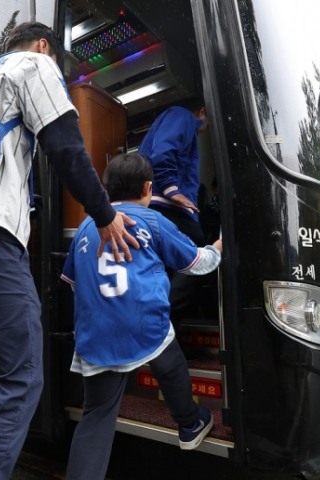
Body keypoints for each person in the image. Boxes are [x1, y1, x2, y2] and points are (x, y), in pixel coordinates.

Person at [0, 22, 139, 480]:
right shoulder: (33, 64)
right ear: (43, 45)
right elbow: (66, 147)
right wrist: (104, 214)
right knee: (18, 377)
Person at [61, 152, 223, 480]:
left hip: (96, 332)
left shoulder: (85, 228)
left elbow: (72, 281)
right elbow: (195, 264)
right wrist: (219, 246)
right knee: (169, 358)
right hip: (142, 323)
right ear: (149, 188)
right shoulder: (152, 220)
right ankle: (190, 423)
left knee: (97, 415)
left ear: (106, 189)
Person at [138, 100, 213, 329]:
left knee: (168, 271)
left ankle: (161, 323)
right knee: (200, 256)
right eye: (206, 125)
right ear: (202, 111)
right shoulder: (182, 116)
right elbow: (163, 151)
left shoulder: (175, 119)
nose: (203, 131)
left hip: (162, 205)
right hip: (167, 206)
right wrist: (172, 189)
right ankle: (160, 320)